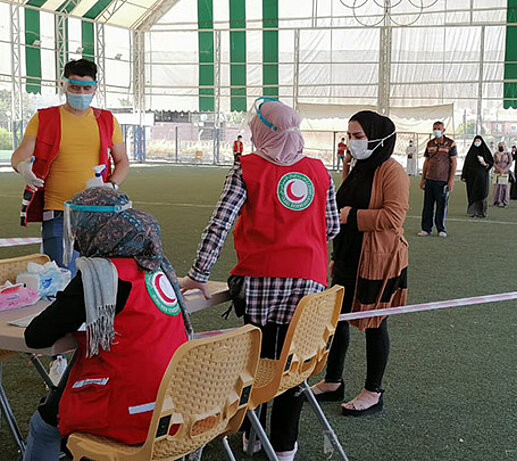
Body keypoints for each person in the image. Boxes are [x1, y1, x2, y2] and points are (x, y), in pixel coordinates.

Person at [180, 98, 339, 461]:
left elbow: (220, 224)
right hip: (310, 281)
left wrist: (198, 274)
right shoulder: (319, 170)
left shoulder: (246, 168)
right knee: (291, 368)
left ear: (260, 131)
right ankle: (284, 446)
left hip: (258, 284)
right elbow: (332, 226)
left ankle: (252, 435)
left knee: (258, 362)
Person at [22, 187, 191, 461]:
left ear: (96, 228)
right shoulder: (155, 265)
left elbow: (37, 335)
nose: (76, 234)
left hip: (130, 405)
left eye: (79, 224)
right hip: (174, 398)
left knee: (43, 427)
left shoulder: (102, 274)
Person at [311, 110, 408, 418]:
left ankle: (373, 391)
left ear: (379, 138)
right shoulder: (355, 167)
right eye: (349, 136)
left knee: (375, 323)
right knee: (336, 320)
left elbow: (394, 218)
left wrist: (351, 216)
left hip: (378, 259)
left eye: (358, 137)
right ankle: (333, 380)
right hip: (348, 256)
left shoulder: (392, 171)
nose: (351, 143)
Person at [11, 59, 129, 275]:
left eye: (87, 88)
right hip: (57, 211)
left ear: (95, 88)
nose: (81, 93)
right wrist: (22, 166)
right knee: (62, 275)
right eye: (74, 87)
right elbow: (21, 153)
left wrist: (111, 186)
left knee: (99, 277)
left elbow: (122, 161)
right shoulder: (44, 118)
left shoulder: (107, 120)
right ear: (63, 85)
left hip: (98, 212)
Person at [418, 121, 457, 237]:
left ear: (443, 130)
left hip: (443, 180)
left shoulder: (450, 143)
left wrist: (451, 180)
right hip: (430, 179)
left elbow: (454, 163)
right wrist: (422, 178)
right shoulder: (429, 144)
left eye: (439, 128)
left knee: (441, 205)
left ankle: (441, 229)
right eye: (435, 128)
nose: (437, 130)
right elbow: (426, 161)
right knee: (427, 205)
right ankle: (426, 228)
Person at [461, 135, 493, 218]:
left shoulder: (485, 152)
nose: (477, 142)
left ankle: (482, 212)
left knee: (482, 193)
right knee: (472, 193)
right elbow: (466, 164)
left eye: (479, 141)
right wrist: (464, 175)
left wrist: (485, 164)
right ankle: (474, 212)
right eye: (476, 141)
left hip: (482, 177)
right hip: (471, 177)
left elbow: (491, 162)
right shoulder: (471, 152)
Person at [492, 141, 513, 207]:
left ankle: (505, 202)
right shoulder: (496, 154)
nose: (500, 147)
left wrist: (504, 170)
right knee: (496, 188)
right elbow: (493, 163)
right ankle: (496, 201)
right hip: (497, 172)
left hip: (505, 173)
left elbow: (510, 163)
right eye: (499, 146)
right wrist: (499, 169)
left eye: (501, 146)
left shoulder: (508, 154)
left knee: (505, 188)